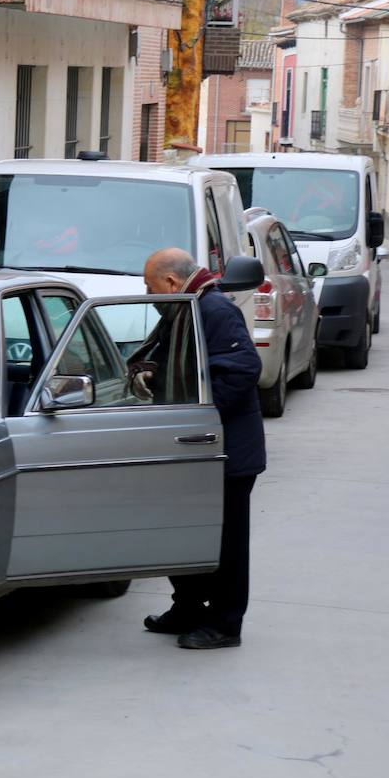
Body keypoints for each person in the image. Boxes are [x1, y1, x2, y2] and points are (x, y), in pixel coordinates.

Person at [137, 248, 266, 649]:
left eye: (150, 287)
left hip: (222, 453)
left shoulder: (214, 310)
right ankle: (189, 606)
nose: (148, 295)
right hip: (191, 450)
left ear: (172, 284)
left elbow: (243, 369)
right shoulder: (184, 310)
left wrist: (200, 419)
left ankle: (226, 624)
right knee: (184, 533)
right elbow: (182, 365)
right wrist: (148, 374)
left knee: (225, 544)